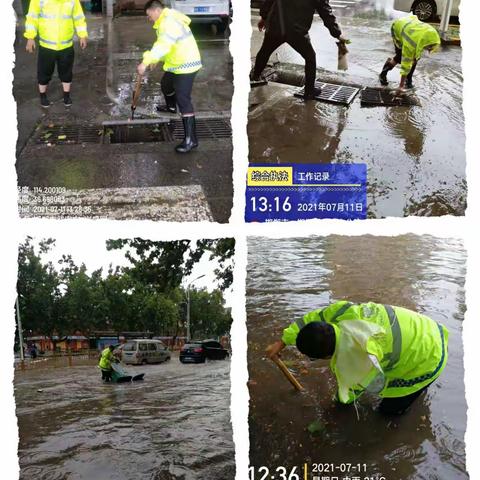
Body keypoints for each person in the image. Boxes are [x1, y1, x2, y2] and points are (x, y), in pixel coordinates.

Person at [266, 300, 448, 415]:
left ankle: (414, 394)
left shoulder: (360, 358)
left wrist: (336, 407)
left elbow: (351, 391)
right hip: (425, 327)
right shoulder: (341, 312)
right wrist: (283, 341)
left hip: (428, 358)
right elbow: (312, 318)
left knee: (388, 413)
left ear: (328, 355)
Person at [137, 0, 202, 154]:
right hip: (176, 63)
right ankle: (171, 107)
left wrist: (145, 63)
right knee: (166, 84)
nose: (149, 19)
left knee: (183, 99)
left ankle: (191, 140)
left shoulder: (168, 23)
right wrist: (156, 59)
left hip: (186, 64)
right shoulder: (165, 20)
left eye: (149, 15)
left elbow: (162, 45)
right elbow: (166, 45)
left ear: (156, 11)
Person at [250, 0, 348, 100]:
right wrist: (338, 33)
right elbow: (326, 13)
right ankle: (309, 91)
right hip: (296, 31)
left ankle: (255, 78)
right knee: (310, 57)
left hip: (276, 25)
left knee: (264, 52)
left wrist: (263, 17)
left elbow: (269, 1)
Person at [24, 0, 88, 108]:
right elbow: (32, 18)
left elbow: (79, 18)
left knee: (66, 73)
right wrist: (30, 37)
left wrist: (82, 35)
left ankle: (66, 96)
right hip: (46, 46)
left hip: (66, 45)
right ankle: (43, 96)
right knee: (44, 73)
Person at [379, 15, 440, 91]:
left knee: (415, 58)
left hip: (411, 25)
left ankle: (408, 80)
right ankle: (383, 73)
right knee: (400, 57)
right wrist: (401, 86)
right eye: (429, 47)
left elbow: (416, 56)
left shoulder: (431, 34)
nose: (429, 50)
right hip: (398, 28)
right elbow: (405, 64)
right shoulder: (411, 43)